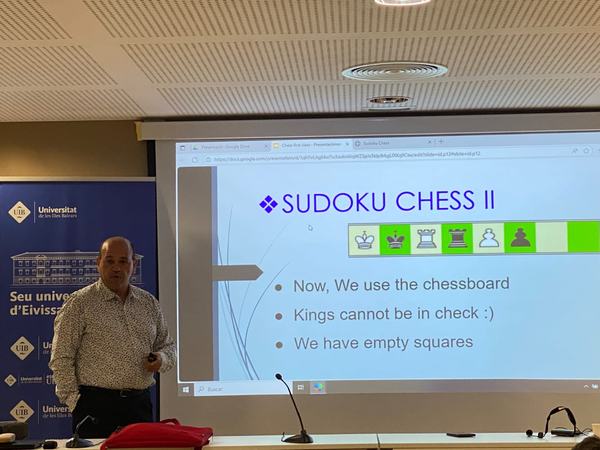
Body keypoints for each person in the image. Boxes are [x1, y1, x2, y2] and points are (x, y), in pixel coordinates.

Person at [49, 236, 176, 438]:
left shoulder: (148, 303)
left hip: (139, 407)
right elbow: (61, 357)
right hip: (95, 408)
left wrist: (162, 359)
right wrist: (75, 403)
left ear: (134, 264)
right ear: (98, 263)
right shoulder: (79, 303)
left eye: (123, 261)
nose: (116, 268)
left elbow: (168, 346)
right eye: (109, 261)